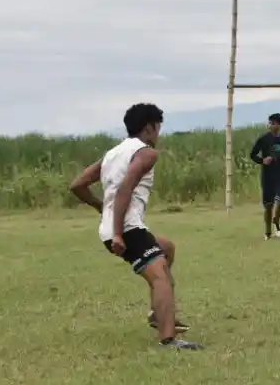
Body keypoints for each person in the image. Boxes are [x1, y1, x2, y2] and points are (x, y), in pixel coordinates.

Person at [69, 103, 203, 350]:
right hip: (126, 230)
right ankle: (168, 339)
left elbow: (78, 185)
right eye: (158, 128)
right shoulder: (146, 153)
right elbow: (126, 188)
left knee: (166, 248)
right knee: (160, 277)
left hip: (114, 228)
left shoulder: (112, 154)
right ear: (150, 128)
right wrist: (118, 232)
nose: (158, 134)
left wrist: (103, 210)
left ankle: (157, 314)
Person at [249, 112, 280, 240]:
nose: (269, 125)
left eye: (272, 123)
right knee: (268, 205)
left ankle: (276, 220)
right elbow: (252, 154)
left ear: (279, 125)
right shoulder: (263, 139)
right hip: (267, 175)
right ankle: (268, 232)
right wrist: (262, 160)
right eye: (269, 123)